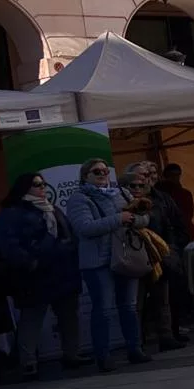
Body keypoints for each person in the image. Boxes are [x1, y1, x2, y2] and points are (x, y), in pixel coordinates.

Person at [0, 173, 87, 379]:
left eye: (43, 183)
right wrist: (31, 262)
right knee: (32, 319)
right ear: (24, 188)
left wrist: (69, 252)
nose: (42, 188)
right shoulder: (12, 213)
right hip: (34, 276)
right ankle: (28, 363)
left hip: (62, 272)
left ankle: (72, 354)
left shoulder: (53, 209)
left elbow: (69, 235)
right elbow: (8, 245)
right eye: (37, 184)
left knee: (68, 316)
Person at [64, 159, 151, 371]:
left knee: (129, 307)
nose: (103, 174)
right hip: (98, 261)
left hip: (124, 256)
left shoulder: (121, 193)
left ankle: (135, 349)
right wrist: (119, 218)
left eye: (105, 170)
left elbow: (144, 219)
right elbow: (84, 228)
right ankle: (103, 356)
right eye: (97, 171)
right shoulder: (79, 198)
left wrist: (132, 220)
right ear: (86, 176)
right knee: (102, 309)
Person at [123, 164, 188, 351]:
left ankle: (167, 336)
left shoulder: (162, 198)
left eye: (150, 175)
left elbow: (177, 225)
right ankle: (137, 341)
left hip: (160, 255)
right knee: (137, 302)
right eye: (141, 176)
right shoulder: (122, 201)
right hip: (135, 256)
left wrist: (171, 249)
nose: (144, 180)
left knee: (163, 299)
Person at [156, 163, 194, 244]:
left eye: (177, 175)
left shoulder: (185, 194)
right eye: (172, 175)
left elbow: (189, 214)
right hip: (170, 233)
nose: (175, 177)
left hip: (183, 232)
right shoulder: (159, 193)